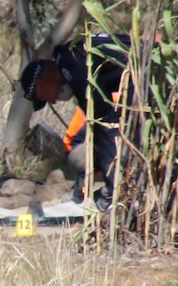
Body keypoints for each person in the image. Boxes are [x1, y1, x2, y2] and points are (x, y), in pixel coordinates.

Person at [19, 33, 131, 211]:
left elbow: (106, 123)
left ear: (41, 83)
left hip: (147, 73)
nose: (54, 101)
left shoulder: (73, 66)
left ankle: (118, 198)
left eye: (46, 98)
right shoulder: (70, 57)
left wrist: (111, 191)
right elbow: (101, 128)